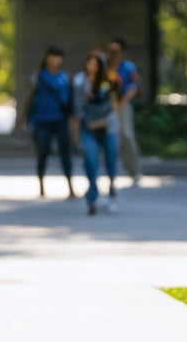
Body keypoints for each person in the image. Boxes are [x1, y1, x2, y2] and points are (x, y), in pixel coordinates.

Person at [21, 46, 76, 198]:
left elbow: (69, 100)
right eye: (53, 56)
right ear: (47, 57)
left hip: (61, 119)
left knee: (66, 153)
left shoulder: (65, 77)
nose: (56, 60)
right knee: (42, 152)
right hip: (42, 120)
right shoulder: (38, 76)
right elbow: (30, 98)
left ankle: (70, 187)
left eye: (59, 57)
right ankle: (41, 186)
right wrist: (24, 119)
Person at [71, 50, 120, 216]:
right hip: (88, 128)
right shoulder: (80, 82)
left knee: (111, 159)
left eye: (96, 63)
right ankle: (92, 198)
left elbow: (115, 106)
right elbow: (77, 109)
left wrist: (102, 121)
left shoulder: (109, 81)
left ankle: (112, 187)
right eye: (89, 62)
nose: (91, 66)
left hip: (108, 127)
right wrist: (76, 134)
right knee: (91, 161)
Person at [106, 37, 142, 182]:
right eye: (110, 51)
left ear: (121, 52)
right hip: (106, 107)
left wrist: (122, 102)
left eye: (115, 51)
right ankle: (113, 170)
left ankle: (134, 169)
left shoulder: (128, 67)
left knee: (127, 135)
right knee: (112, 139)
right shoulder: (105, 67)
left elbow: (135, 87)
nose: (112, 54)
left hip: (123, 105)